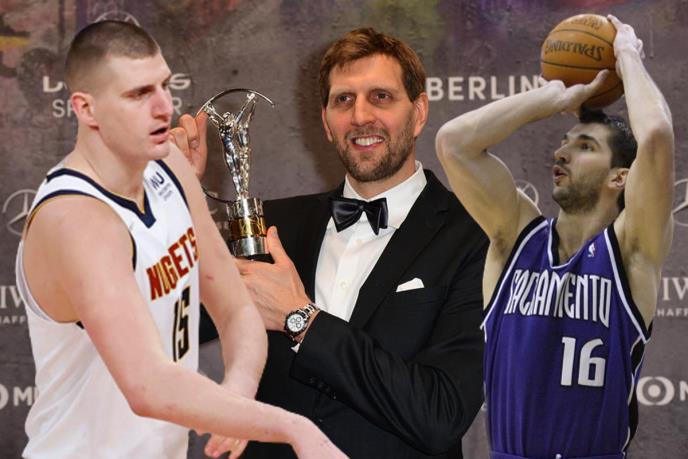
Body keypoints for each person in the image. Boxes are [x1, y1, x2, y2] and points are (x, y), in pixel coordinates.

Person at [16, 20, 346, 459]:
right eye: (138, 94)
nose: (163, 108)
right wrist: (293, 427)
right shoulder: (77, 219)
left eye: (165, 86)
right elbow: (148, 386)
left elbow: (236, 307)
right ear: (86, 109)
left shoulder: (169, 165)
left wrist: (238, 393)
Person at [173, 27, 487, 459]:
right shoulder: (270, 228)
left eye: (381, 97)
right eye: (344, 100)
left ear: (418, 113)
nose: (360, 116)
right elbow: (169, 322)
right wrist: (171, 202)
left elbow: (440, 414)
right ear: (325, 122)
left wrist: (302, 319)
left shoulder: (474, 238)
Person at [435, 15, 674, 459]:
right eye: (565, 141)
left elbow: (656, 136)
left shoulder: (631, 251)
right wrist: (550, 98)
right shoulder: (514, 237)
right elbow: (454, 144)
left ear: (620, 177)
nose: (562, 152)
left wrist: (627, 56)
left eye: (585, 146)